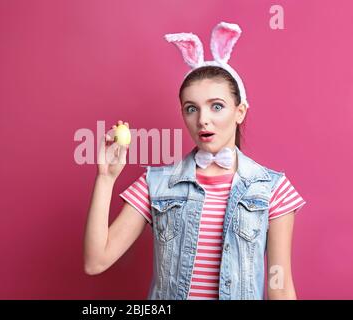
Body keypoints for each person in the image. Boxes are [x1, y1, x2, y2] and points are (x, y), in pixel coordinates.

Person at [83, 22, 306, 300]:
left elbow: (280, 286)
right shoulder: (156, 183)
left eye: (216, 106)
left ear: (240, 112)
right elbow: (96, 261)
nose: (203, 119)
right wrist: (106, 177)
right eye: (192, 108)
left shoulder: (273, 189)